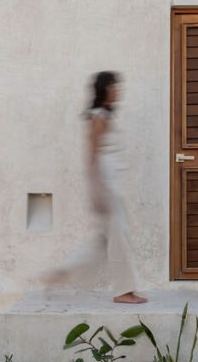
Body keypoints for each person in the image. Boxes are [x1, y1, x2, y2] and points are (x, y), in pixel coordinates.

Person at [43, 71, 147, 304]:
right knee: (118, 238)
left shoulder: (105, 116)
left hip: (113, 184)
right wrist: (97, 191)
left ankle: (61, 273)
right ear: (104, 89)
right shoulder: (98, 117)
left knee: (103, 241)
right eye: (114, 86)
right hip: (106, 186)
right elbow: (91, 157)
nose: (118, 90)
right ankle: (123, 291)